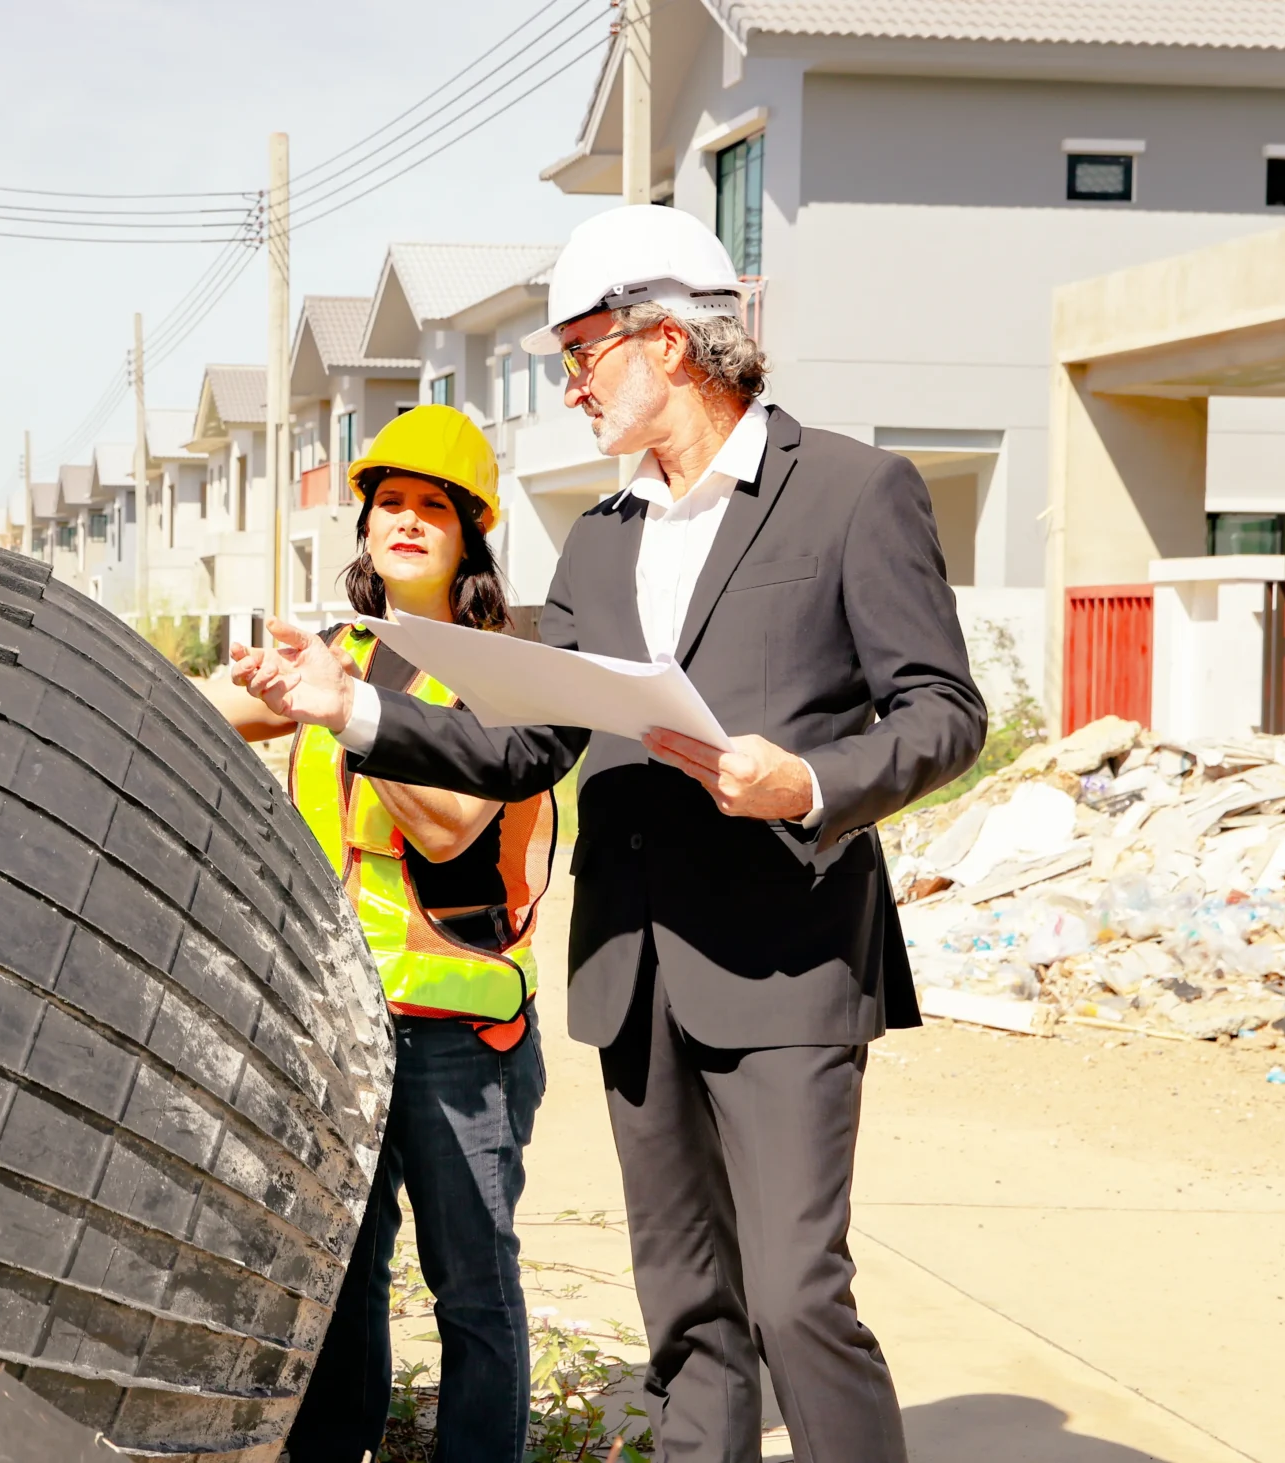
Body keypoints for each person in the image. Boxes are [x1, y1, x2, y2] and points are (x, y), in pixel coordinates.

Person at [234, 205, 985, 1463]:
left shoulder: (855, 491)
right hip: (633, 971)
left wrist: (805, 779)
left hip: (787, 960)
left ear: (666, 341)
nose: (568, 380)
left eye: (580, 350)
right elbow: (529, 746)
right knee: (688, 1314)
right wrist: (349, 705)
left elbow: (943, 713)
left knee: (796, 1292)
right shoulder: (600, 536)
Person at [200, 404, 554, 1463]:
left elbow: (450, 825)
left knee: (471, 1281)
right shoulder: (340, 651)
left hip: (459, 1032)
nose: (402, 520)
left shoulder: (507, 675)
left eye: (430, 507)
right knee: (343, 1271)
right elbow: (202, 709)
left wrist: (348, 709)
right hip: (339, 1023)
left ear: (470, 535)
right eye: (386, 503)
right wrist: (274, 687)